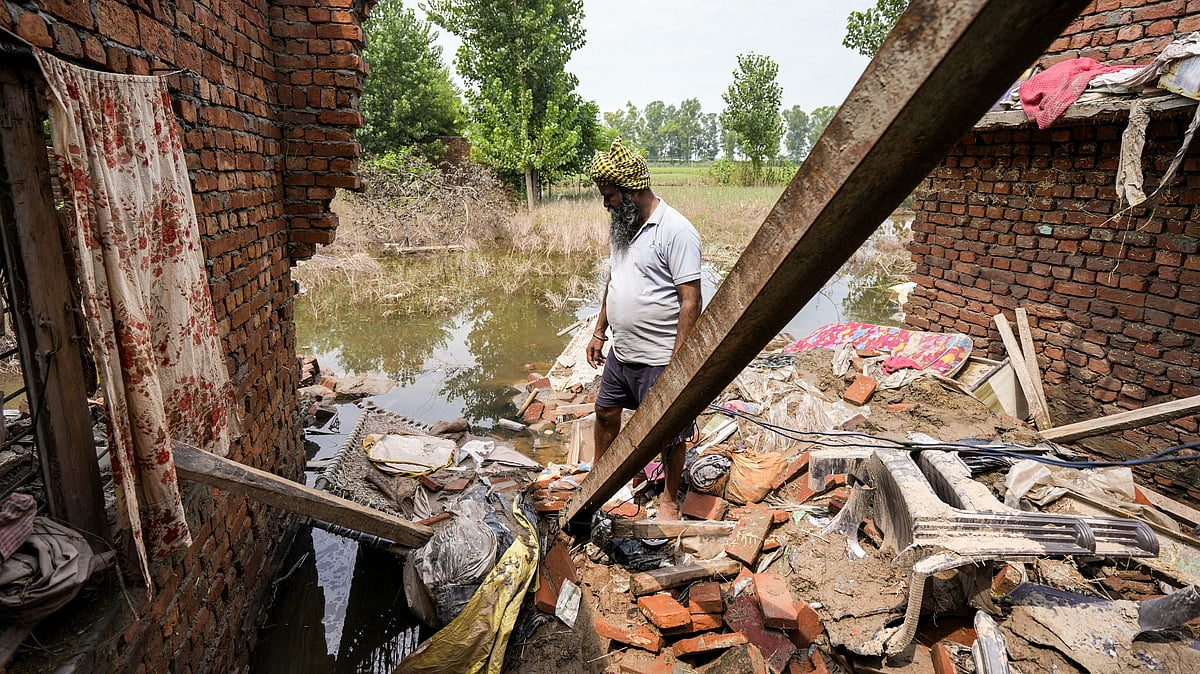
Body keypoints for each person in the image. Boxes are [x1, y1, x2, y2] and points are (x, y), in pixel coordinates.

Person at [585, 138, 702, 520]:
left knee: (669, 431)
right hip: (622, 353)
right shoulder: (621, 226)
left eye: (610, 196)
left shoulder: (676, 230)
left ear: (632, 191)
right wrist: (599, 331)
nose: (606, 205)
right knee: (605, 413)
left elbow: (690, 300)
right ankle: (600, 479)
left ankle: (668, 497)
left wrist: (678, 363)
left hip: (658, 357)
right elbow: (613, 281)